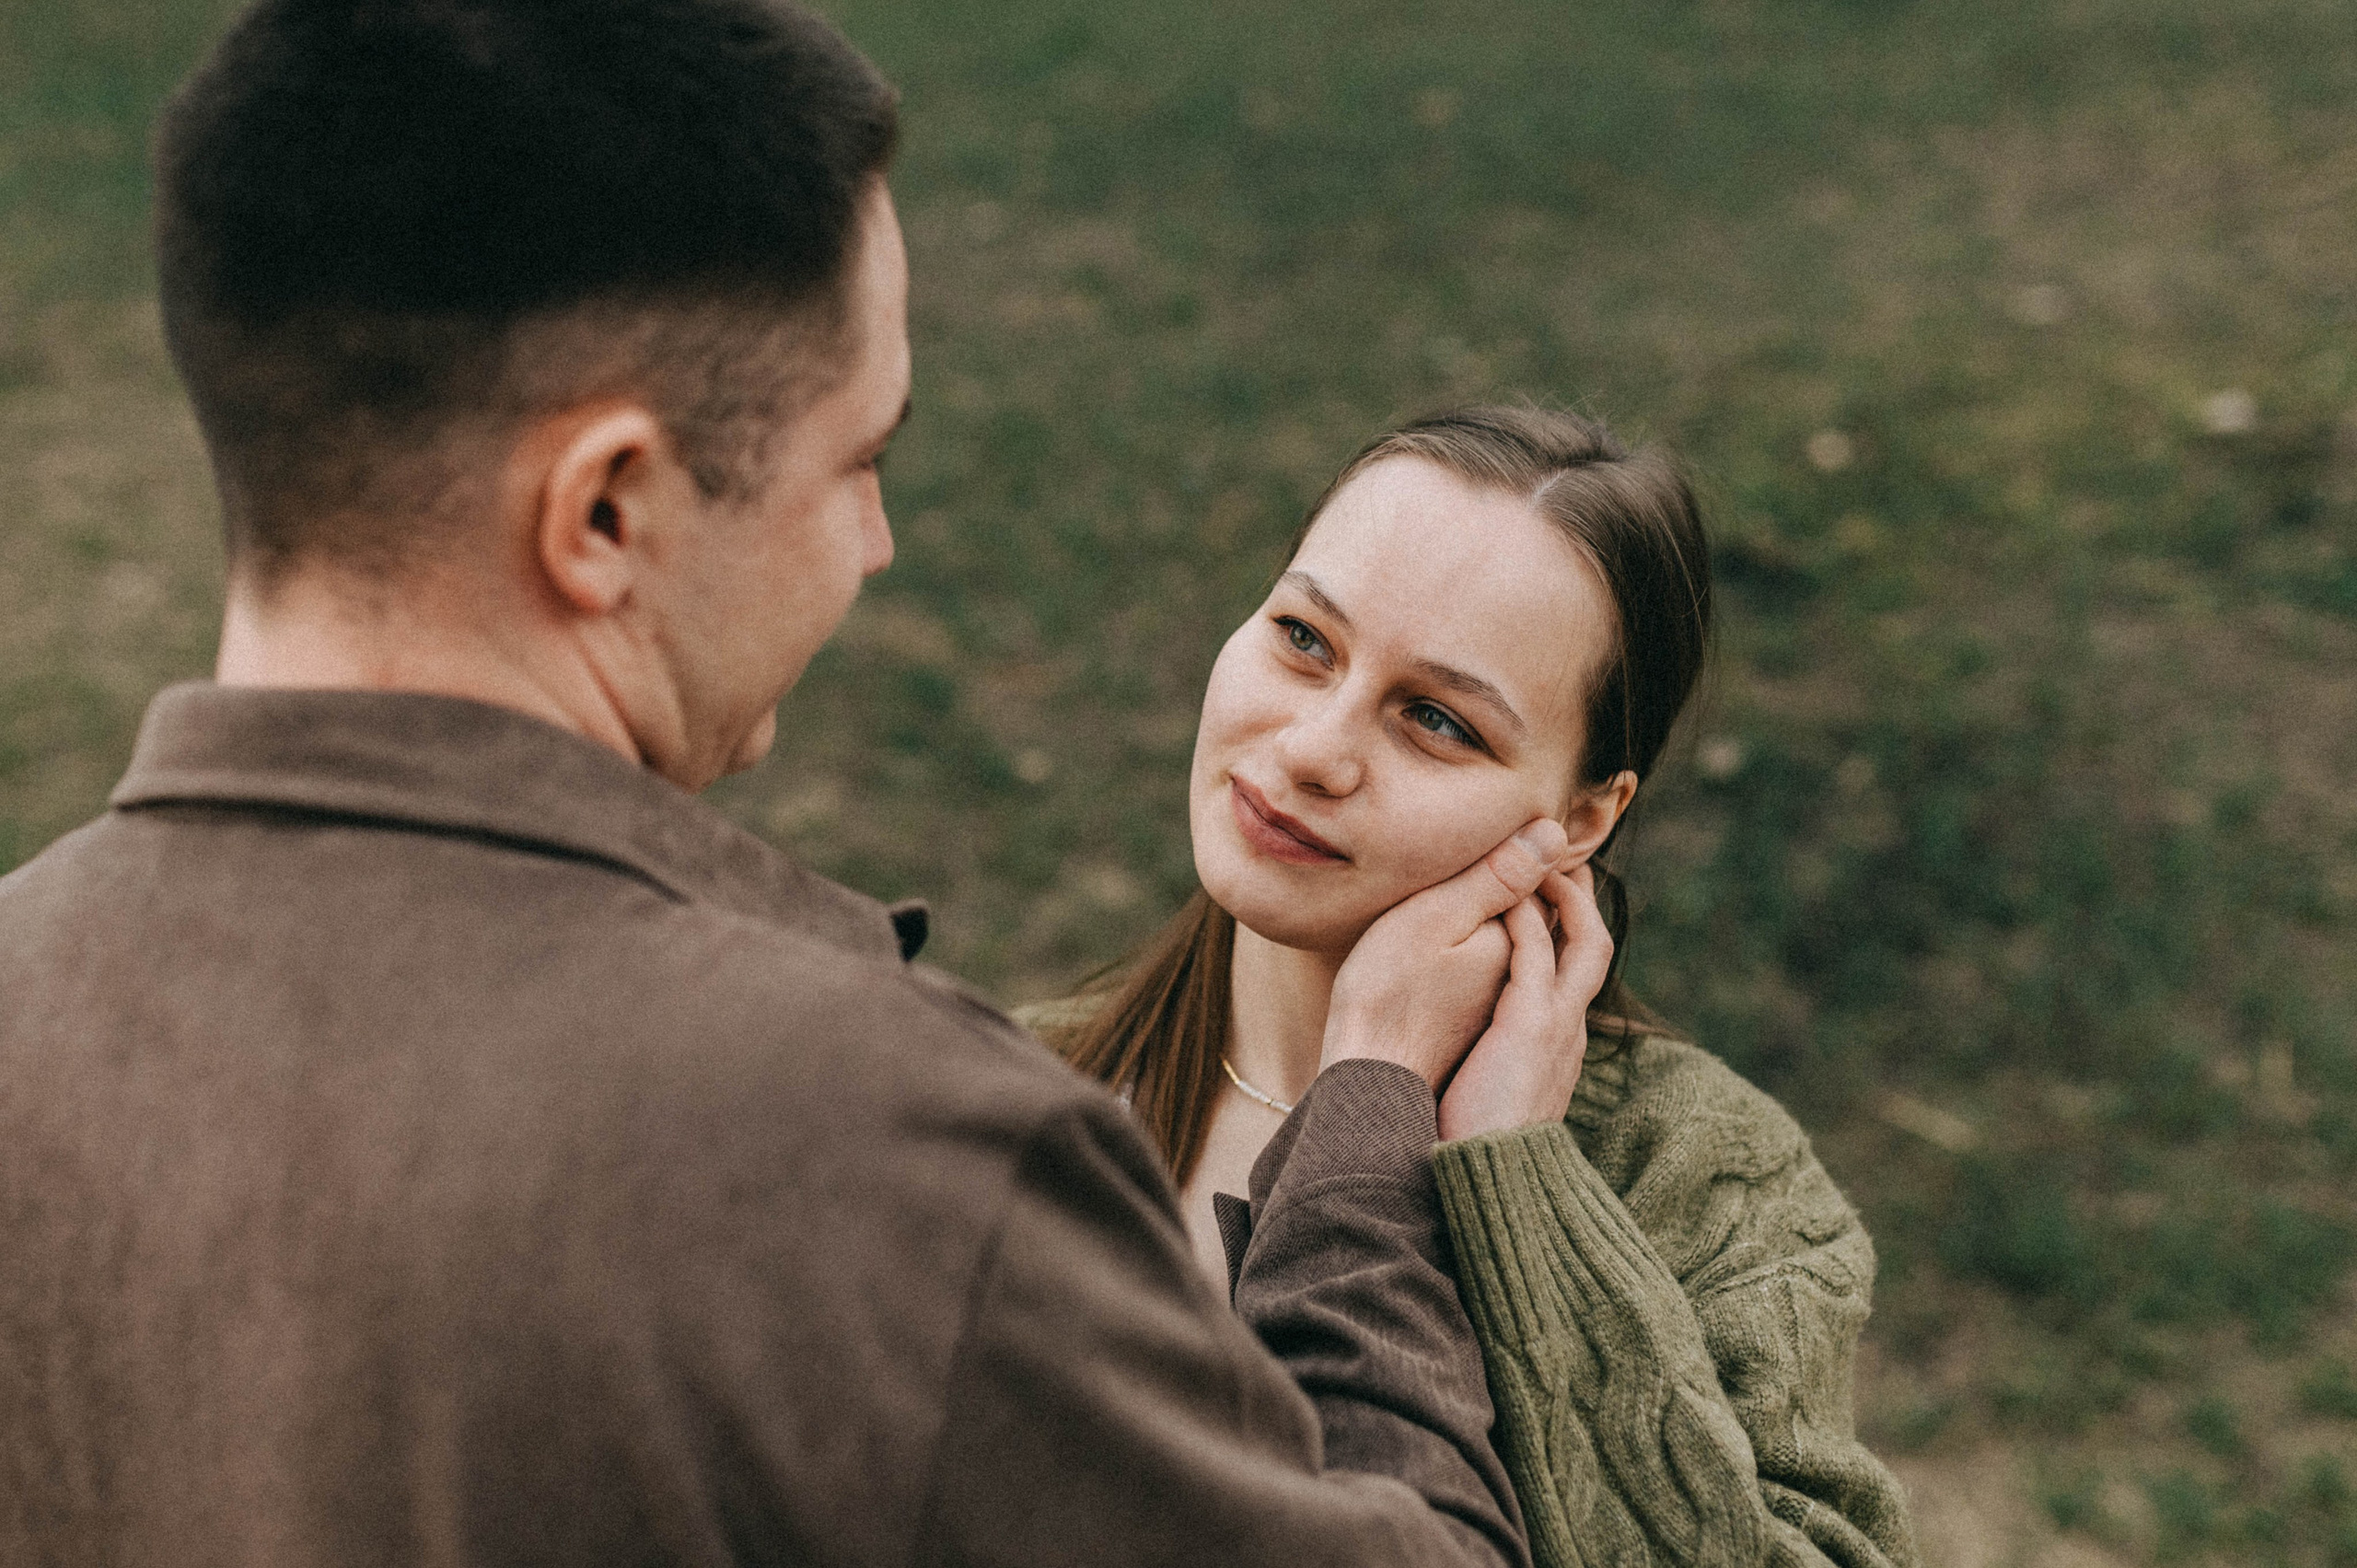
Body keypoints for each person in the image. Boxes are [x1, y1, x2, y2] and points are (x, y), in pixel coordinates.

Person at [0, 4, 1560, 1562]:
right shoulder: (880, 1156)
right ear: (605, 513)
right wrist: (1367, 1147)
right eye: (858, 461)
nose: (875, 542)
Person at [1028, 406, 1922, 1568]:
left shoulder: (1704, 1175)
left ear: (1583, 817)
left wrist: (1514, 1187)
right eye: (1302, 637)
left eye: (1437, 720)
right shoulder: (1008, 1088)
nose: (1312, 749)